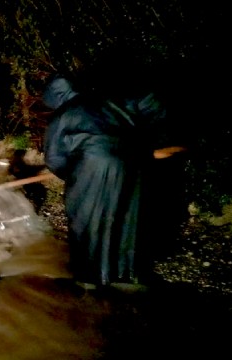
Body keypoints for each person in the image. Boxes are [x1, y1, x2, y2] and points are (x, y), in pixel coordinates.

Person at [41, 74, 186, 289]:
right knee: (127, 215)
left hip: (91, 166)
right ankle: (127, 275)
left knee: (87, 218)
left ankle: (90, 277)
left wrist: (72, 174)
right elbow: (151, 103)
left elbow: (54, 158)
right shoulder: (111, 99)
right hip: (133, 161)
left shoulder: (64, 114)